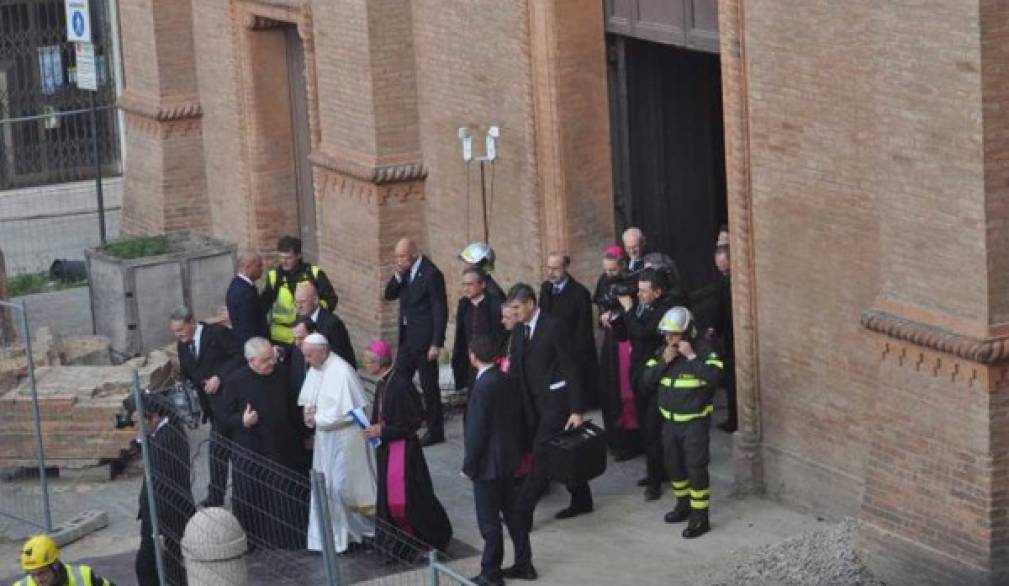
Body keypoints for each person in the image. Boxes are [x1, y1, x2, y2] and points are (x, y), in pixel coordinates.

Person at [506, 283, 591, 579]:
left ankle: (523, 510)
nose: (513, 314)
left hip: (556, 403)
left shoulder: (554, 327)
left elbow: (570, 366)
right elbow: (517, 365)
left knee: (543, 454)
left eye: (517, 308)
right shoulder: (518, 330)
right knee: (555, 450)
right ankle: (582, 497)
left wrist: (577, 409)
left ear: (530, 304)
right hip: (532, 405)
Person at [362, 340, 453, 558]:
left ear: (380, 363)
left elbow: (411, 422)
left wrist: (381, 431)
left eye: (367, 361)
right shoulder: (384, 382)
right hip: (390, 450)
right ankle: (401, 542)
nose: (365, 365)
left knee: (414, 501)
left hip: (404, 455)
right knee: (394, 501)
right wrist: (377, 428)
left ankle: (432, 540)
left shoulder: (400, 384)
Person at [640, 307, 723, 539]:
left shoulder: (705, 351)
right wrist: (663, 363)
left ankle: (700, 516)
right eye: (666, 335)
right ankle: (683, 505)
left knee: (696, 469)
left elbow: (714, 378)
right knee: (674, 466)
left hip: (694, 423)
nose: (669, 339)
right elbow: (645, 382)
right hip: (669, 423)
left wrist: (692, 357)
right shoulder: (663, 352)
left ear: (687, 333)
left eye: (674, 335)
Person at [224, 337, 308, 549]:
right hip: (252, 447)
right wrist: (242, 421)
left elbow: (292, 405)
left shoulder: (280, 373)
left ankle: (290, 538)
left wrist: (305, 432)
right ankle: (254, 541)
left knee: (285, 496)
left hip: (282, 445)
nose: (271, 363)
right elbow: (224, 415)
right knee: (253, 495)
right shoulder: (236, 380)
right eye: (265, 360)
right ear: (251, 360)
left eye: (272, 357)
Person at [298, 333, 376, 553]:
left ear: (323, 351)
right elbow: (310, 399)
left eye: (309, 355)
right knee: (324, 485)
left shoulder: (342, 372)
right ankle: (325, 538)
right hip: (325, 440)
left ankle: (347, 535)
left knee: (340, 488)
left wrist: (318, 419)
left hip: (343, 440)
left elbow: (351, 412)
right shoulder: (317, 368)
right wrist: (308, 414)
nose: (307, 361)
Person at [464, 335, 527, 586]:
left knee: (489, 522)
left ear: (473, 357)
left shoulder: (482, 387)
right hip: (508, 459)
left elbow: (477, 432)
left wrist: (469, 466)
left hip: (487, 466)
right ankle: (524, 562)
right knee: (512, 515)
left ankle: (491, 572)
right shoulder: (506, 379)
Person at [169, 306, 244, 508]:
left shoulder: (217, 333)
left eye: (181, 330)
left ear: (191, 322)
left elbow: (239, 356)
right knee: (217, 453)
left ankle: (240, 496)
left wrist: (219, 377)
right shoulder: (183, 345)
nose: (178, 335)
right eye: (175, 331)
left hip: (231, 404)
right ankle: (216, 496)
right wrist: (182, 382)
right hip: (212, 408)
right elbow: (188, 370)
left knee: (231, 453)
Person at [383, 238, 448, 446]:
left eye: (403, 256)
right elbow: (388, 294)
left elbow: (440, 310)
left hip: (425, 340)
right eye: (397, 256)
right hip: (407, 338)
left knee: (429, 386)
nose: (399, 260)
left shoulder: (431, 274)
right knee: (399, 379)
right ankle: (413, 416)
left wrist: (436, 343)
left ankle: (435, 430)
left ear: (414, 253)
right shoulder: (404, 274)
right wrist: (397, 275)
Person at [618, 269, 673, 501]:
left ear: (657, 292)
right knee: (645, 428)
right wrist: (618, 316)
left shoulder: (662, 311)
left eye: (643, 291)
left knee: (652, 430)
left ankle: (655, 482)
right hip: (639, 376)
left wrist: (629, 309)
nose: (638, 295)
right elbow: (626, 334)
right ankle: (657, 472)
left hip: (655, 378)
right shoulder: (641, 307)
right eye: (638, 290)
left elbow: (641, 333)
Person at [134, 392, 195, 586]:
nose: (136, 426)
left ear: (154, 417)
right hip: (157, 515)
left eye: (139, 421)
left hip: (166, 516)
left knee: (158, 566)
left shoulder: (169, 438)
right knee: (156, 565)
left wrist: (157, 527)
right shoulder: (161, 433)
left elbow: (160, 479)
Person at [594, 246, 640, 462]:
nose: (609, 275)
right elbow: (601, 305)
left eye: (612, 270)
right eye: (606, 270)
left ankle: (630, 443)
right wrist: (604, 315)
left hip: (626, 341)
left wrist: (618, 314)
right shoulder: (604, 280)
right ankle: (613, 441)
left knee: (626, 393)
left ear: (622, 266)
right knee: (608, 390)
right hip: (610, 343)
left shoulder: (633, 280)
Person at [539, 253, 599, 410]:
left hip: (570, 352)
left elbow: (583, 332)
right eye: (549, 268)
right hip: (549, 349)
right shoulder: (546, 288)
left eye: (555, 269)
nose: (550, 272)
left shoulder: (580, 294)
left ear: (565, 268)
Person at [261, 236, 338, 346]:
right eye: (281, 257)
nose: (284, 262)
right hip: (280, 338)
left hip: (308, 334)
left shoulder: (314, 274)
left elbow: (331, 300)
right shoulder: (273, 277)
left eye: (288, 258)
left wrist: (312, 315)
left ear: (299, 256)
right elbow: (264, 306)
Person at [451, 267, 504, 393]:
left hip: (491, 362)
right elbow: (461, 335)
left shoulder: (495, 305)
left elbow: (500, 334)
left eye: (470, 284)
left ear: (482, 284)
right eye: (464, 284)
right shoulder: (464, 305)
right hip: (471, 362)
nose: (465, 288)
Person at [294, 281, 356, 368]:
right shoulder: (299, 320)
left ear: (316, 300)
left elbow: (343, 358)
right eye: (296, 302)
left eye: (303, 302)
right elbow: (296, 352)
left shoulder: (333, 324)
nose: (299, 306)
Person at [16, 534, 115, 586]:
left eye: (42, 573)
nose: (38, 580)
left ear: (55, 564)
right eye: (32, 574)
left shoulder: (84, 576)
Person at [709, 244, 736, 433]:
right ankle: (733, 419)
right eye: (720, 269)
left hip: (737, 337)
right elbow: (720, 309)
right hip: (728, 338)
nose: (723, 272)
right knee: (731, 382)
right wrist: (714, 328)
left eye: (726, 269)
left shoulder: (735, 281)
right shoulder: (723, 282)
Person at [226, 251, 268, 345]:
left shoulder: (237, 284)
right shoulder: (244, 293)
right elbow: (249, 327)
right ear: (248, 267)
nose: (262, 269)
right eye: (259, 266)